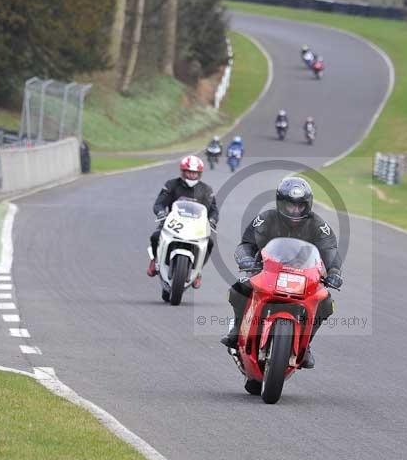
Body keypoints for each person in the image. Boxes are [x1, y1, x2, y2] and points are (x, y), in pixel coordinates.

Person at [220, 177, 343, 369]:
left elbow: (330, 251)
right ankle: (237, 329)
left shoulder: (318, 225)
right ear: (280, 203)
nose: (294, 210)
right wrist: (245, 258)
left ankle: (306, 344)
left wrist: (334, 271)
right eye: (289, 205)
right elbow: (246, 244)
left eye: (299, 206)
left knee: (326, 302)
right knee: (240, 287)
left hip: (303, 279)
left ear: (307, 205)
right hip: (267, 272)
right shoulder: (266, 218)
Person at [147, 155, 218, 289]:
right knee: (155, 236)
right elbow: (159, 203)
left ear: (200, 174)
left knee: (209, 243)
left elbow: (214, 210)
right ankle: (155, 260)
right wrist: (161, 212)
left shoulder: (206, 190)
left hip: (196, 226)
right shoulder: (171, 185)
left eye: (195, 173)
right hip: (172, 222)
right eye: (189, 172)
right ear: (182, 171)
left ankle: (198, 272)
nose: (191, 175)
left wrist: (212, 220)